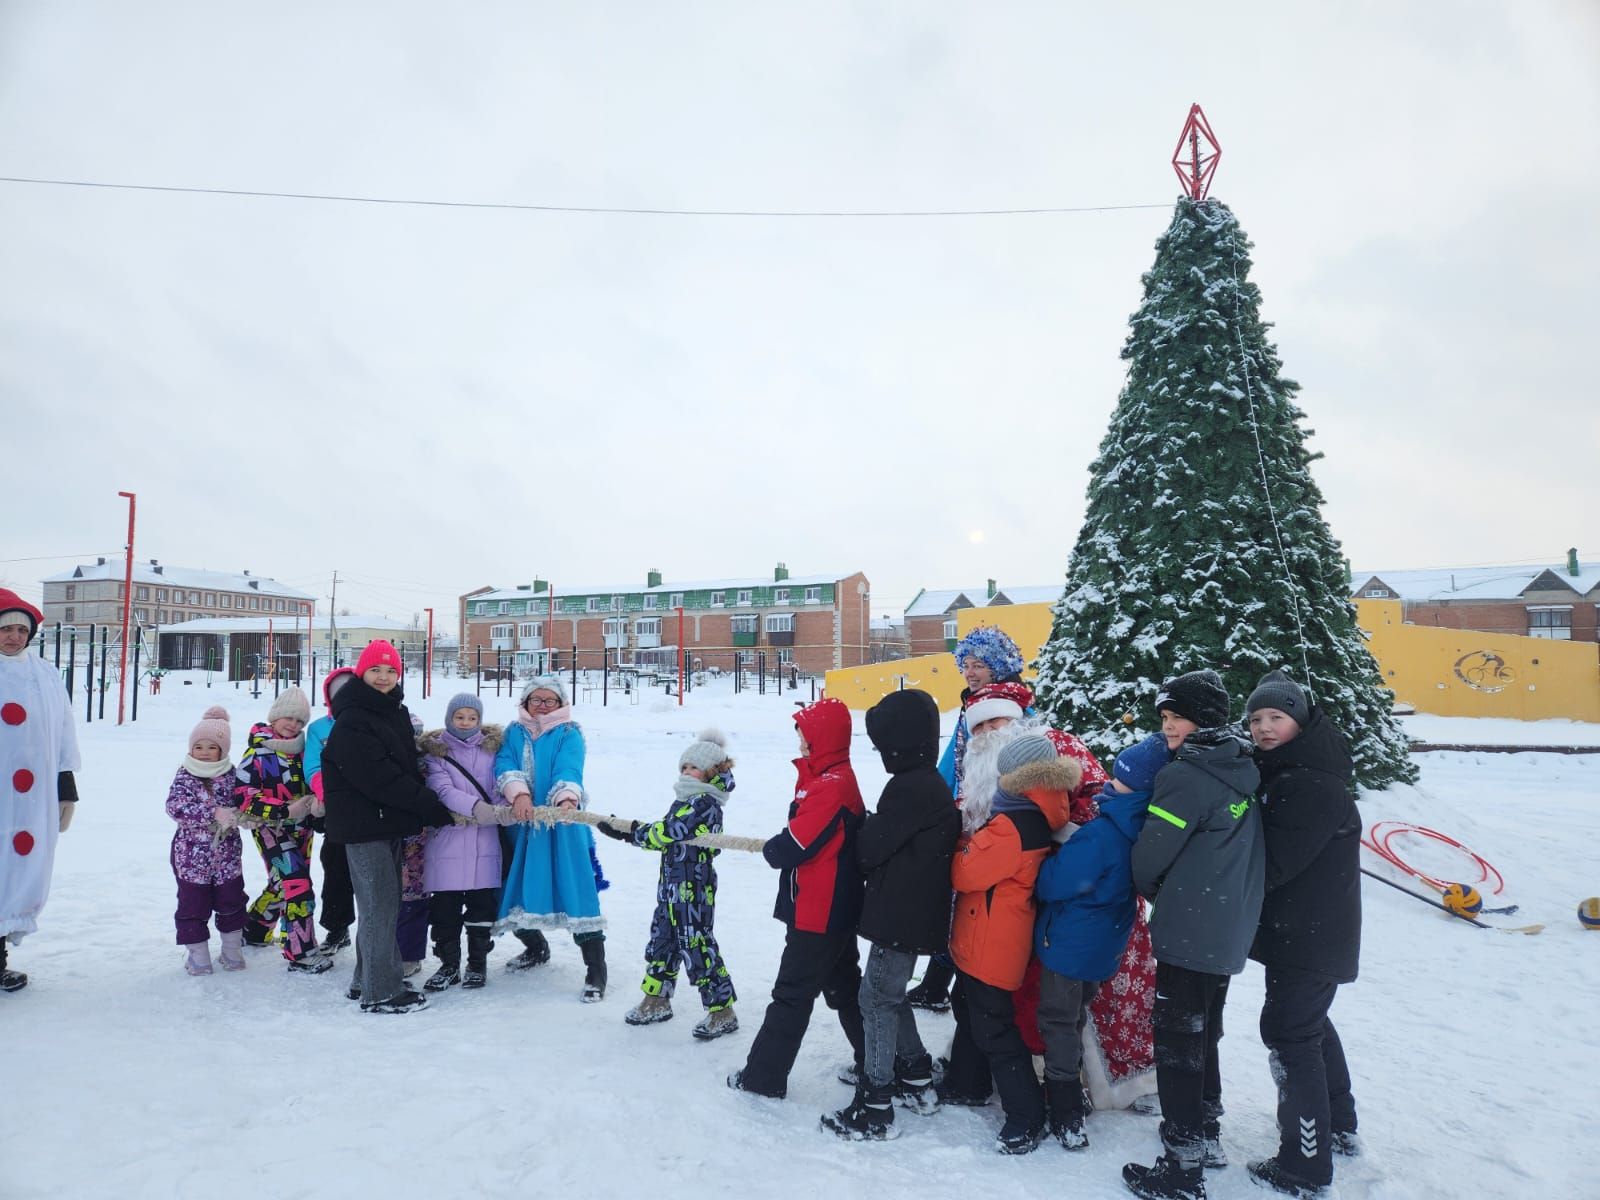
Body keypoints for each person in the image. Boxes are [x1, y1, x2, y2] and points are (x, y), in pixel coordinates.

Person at [1123, 669, 1264, 1200]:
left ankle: (1182, 1168)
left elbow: (1150, 855)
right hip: (1227, 926)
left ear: (1200, 719)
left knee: (1178, 1040)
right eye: (1164, 718)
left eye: (1173, 717)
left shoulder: (1185, 775)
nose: (1167, 729)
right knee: (1205, 1033)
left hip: (1189, 929)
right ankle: (1206, 1132)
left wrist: (1153, 885)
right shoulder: (1243, 766)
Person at [1243, 670, 1362, 1196]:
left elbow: (1273, 866)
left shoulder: (1307, 782)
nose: (1265, 728)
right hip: (1312, 933)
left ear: (1300, 719)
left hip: (1309, 936)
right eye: (1256, 719)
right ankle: (1339, 1124)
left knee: (1290, 1035)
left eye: (1276, 717)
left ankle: (1303, 1163)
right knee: (1309, 1025)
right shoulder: (1294, 770)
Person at [823, 689, 960, 1141]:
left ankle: (875, 1102)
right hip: (914, 911)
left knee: (875, 1000)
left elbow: (869, 850)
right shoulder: (926, 782)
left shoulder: (909, 787)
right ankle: (917, 1076)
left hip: (900, 916)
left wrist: (858, 826)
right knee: (892, 995)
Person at [945, 730, 1079, 1154]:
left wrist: (962, 846)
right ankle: (967, 1082)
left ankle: (1026, 1115)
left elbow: (965, 873)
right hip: (994, 936)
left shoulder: (1013, 824)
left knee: (995, 1028)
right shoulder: (1039, 812)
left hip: (990, 942)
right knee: (968, 1006)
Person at [1033, 732, 1164, 1150]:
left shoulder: (1100, 835)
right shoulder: (1142, 831)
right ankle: (1076, 1092)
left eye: (1119, 780)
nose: (1108, 784)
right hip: (1101, 952)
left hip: (1068, 948)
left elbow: (1056, 883)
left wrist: (1050, 860)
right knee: (1074, 1016)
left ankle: (1066, 1107)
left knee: (1057, 1022)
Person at [729, 697, 866, 1099]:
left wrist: (774, 848)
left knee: (792, 993)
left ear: (825, 739)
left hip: (819, 911)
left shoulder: (832, 786)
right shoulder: (827, 777)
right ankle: (878, 1061)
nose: (802, 745)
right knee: (844, 986)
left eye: (806, 738)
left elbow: (794, 845)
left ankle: (762, 1078)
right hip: (829, 907)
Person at [322, 640, 453, 1014]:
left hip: (384, 822)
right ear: (361, 672)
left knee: (379, 906)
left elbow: (403, 765)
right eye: (375, 670)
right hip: (365, 826)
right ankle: (381, 991)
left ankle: (365, 978)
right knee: (380, 907)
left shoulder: (390, 710)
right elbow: (379, 778)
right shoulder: (354, 718)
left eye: (391, 670)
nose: (383, 677)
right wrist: (429, 804)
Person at [910, 627, 1027, 1011]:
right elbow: (953, 759)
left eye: (979, 665)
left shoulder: (1012, 709)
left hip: (996, 817)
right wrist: (939, 798)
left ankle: (954, 985)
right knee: (958, 898)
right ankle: (938, 984)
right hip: (964, 809)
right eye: (966, 665)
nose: (970, 672)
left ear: (999, 666)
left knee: (972, 901)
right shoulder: (972, 705)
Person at [598, 728, 738, 1040]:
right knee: (662, 941)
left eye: (693, 768)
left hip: (694, 889)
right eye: (683, 767)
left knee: (696, 945)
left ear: (711, 772)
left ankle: (722, 1009)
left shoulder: (705, 803)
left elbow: (671, 832)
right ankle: (657, 998)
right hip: (671, 887)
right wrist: (631, 831)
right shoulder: (685, 800)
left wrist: (630, 832)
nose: (686, 772)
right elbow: (667, 833)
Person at [495, 676, 608, 1001]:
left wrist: (566, 798)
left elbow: (569, 768)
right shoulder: (513, 732)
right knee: (514, 890)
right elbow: (504, 763)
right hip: (522, 825)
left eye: (550, 700)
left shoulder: (569, 733)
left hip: (562, 825)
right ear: (526, 702)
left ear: (560, 704)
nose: (543, 705)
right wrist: (518, 795)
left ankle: (595, 969)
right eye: (536, 699)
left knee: (577, 891)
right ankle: (535, 946)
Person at [0, 590, 80, 993]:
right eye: (5, 629)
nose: (13, 637)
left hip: (32, 801)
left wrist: (66, 786)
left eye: (20, 630)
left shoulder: (45, 674)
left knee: (18, 870)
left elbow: (64, 729)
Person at [419, 693, 510, 991]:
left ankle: (477, 963)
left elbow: (500, 784)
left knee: (481, 907)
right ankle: (448, 964)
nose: (466, 723)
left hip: (485, 842)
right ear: (449, 718)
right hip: (447, 841)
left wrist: (501, 807)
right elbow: (442, 789)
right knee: (445, 909)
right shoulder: (437, 753)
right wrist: (478, 809)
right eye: (460, 717)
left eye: (472, 717)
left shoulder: (492, 751)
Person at [235, 686, 329, 973]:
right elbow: (243, 794)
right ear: (274, 717)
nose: (293, 725)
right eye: (288, 718)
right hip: (270, 830)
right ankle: (300, 951)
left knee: (282, 884)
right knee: (297, 884)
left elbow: (314, 780)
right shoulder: (257, 753)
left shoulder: (303, 752)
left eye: (300, 721)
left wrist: (315, 804)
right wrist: (283, 809)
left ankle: (253, 928)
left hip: (303, 830)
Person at [166, 705, 249, 975]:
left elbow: (244, 801)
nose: (204, 752)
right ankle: (199, 957)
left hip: (227, 857)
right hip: (191, 858)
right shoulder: (185, 775)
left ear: (222, 751)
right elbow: (175, 807)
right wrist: (212, 813)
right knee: (193, 906)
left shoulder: (231, 775)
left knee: (232, 902)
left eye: (211, 747)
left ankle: (232, 952)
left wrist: (242, 815)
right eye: (198, 746)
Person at [304, 667, 356, 956]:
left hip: (371, 812)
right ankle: (337, 928)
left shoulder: (370, 721)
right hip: (336, 812)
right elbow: (312, 765)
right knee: (336, 870)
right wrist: (328, 795)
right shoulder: (319, 729)